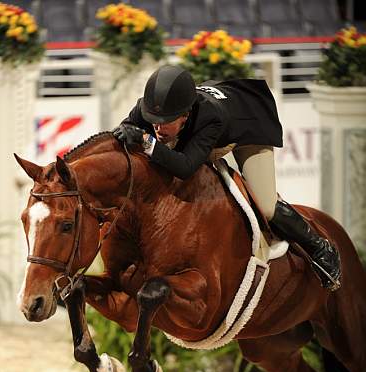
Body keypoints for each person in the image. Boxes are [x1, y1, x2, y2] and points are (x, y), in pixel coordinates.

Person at [113, 64, 341, 290]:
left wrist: (145, 141)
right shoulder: (150, 109)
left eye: (166, 122)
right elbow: (123, 130)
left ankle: (319, 246)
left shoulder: (211, 117)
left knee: (266, 205)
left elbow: (185, 167)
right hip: (211, 118)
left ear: (185, 115)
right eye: (154, 120)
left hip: (247, 125)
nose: (157, 128)